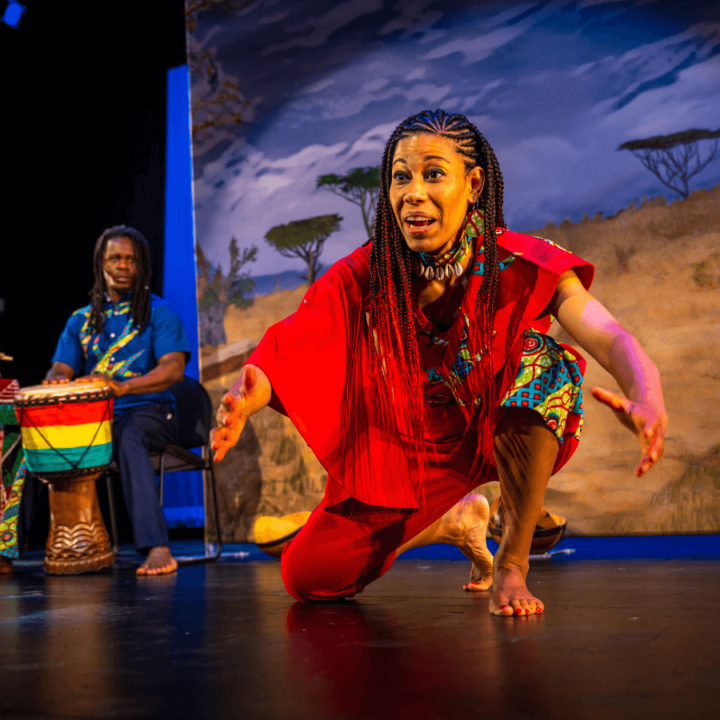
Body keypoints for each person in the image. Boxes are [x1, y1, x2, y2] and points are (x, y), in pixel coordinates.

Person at [212, 110, 667, 615]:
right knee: (310, 577)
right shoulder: (363, 274)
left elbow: (609, 335)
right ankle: (454, 521)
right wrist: (247, 395)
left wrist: (646, 395)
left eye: (433, 174)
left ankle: (512, 565)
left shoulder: (517, 261)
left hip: (493, 431)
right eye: (401, 176)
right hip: (405, 451)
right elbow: (288, 350)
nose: (413, 191)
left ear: (473, 185)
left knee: (546, 361)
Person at [45, 225, 190, 576]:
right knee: (40, 440)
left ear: (141, 265)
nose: (123, 265)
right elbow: (58, 369)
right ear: (101, 264)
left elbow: (173, 369)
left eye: (131, 259)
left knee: (129, 435)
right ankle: (12, 551)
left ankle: (157, 547)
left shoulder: (159, 312)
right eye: (115, 258)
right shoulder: (81, 320)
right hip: (97, 420)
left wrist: (124, 388)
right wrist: (55, 385)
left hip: (150, 412)